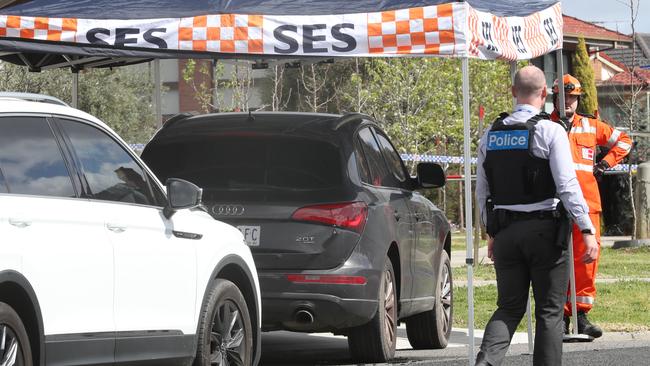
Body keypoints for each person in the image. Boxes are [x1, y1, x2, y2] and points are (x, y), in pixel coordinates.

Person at [475, 65, 598, 366]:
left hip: (505, 233)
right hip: (545, 232)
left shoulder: (490, 134)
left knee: (508, 307)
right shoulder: (550, 130)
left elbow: (481, 190)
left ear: (513, 92)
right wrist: (586, 228)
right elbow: (568, 186)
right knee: (549, 311)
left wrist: (491, 233)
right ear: (544, 94)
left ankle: (486, 362)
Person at [550, 74, 632, 338]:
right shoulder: (544, 126)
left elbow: (624, 141)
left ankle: (580, 315)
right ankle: (560, 316)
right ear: (555, 99)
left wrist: (605, 164)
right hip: (554, 206)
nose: (569, 103)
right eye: (564, 98)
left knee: (587, 261)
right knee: (555, 260)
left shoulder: (591, 125)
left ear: (578, 99)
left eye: (573, 98)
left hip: (587, 205)